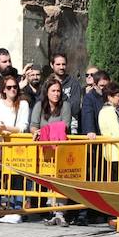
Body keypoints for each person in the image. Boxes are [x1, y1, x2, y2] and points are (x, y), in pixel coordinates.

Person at [30, 76, 72, 226]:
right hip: (46, 148)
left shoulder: (65, 106)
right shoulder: (39, 106)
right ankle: (52, 211)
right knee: (48, 180)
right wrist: (36, 132)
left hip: (61, 148)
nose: (56, 94)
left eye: (58, 91)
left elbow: (65, 125)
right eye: (53, 91)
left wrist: (46, 130)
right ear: (46, 92)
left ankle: (60, 213)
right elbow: (33, 125)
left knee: (60, 180)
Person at [0, 75, 30, 224]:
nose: (12, 90)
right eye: (9, 87)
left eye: (15, 87)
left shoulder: (23, 104)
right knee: (3, 176)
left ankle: (17, 209)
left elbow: (23, 127)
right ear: (4, 90)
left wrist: (6, 128)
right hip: (0, 141)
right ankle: (7, 207)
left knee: (18, 176)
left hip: (18, 143)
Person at [46, 53, 82, 133]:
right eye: (58, 64)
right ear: (52, 65)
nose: (61, 67)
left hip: (69, 128)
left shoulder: (74, 84)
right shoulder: (47, 84)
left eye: (63, 64)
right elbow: (44, 104)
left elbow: (75, 108)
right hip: (49, 125)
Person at [80, 70, 109, 138]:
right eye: (102, 86)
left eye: (107, 86)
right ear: (95, 85)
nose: (105, 88)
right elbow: (88, 114)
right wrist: (90, 130)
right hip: (96, 138)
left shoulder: (111, 96)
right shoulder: (89, 98)